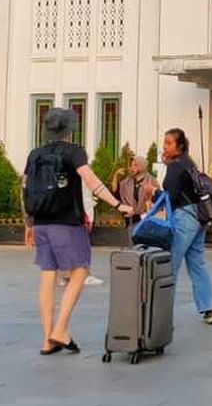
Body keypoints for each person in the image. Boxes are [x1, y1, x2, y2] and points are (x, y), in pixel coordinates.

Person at [22, 108, 132, 356]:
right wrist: (118, 204)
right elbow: (92, 182)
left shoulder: (35, 154)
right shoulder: (74, 152)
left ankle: (47, 339)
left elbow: (25, 188)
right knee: (80, 270)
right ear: (69, 130)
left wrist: (28, 223)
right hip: (66, 222)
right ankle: (60, 328)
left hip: (40, 221)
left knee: (47, 276)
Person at [161, 127, 212, 325]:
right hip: (199, 216)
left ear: (180, 146)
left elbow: (170, 193)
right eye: (164, 143)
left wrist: (153, 192)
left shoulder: (176, 166)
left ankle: (162, 311)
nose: (164, 147)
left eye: (169, 143)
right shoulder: (189, 163)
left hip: (184, 217)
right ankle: (209, 308)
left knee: (170, 264)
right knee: (197, 262)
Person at [112, 157, 157, 224]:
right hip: (130, 219)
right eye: (131, 165)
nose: (132, 167)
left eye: (135, 165)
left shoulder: (151, 181)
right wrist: (116, 175)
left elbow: (157, 202)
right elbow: (115, 192)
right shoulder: (127, 181)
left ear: (142, 166)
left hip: (145, 220)